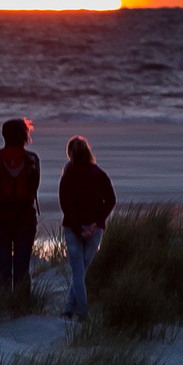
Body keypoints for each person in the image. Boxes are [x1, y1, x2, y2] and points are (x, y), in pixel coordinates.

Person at [58, 135, 115, 320]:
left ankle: (80, 312)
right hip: (91, 229)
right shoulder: (99, 174)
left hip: (77, 229)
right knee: (80, 272)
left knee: (78, 272)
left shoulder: (68, 176)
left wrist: (80, 228)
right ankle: (70, 309)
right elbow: (111, 200)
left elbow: (66, 205)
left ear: (70, 154)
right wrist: (96, 224)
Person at [0, 117, 40, 302]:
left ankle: (1, 308)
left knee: (2, 267)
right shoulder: (32, 158)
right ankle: (22, 308)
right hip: (25, 216)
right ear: (25, 135)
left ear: (3, 135)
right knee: (22, 267)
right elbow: (35, 187)